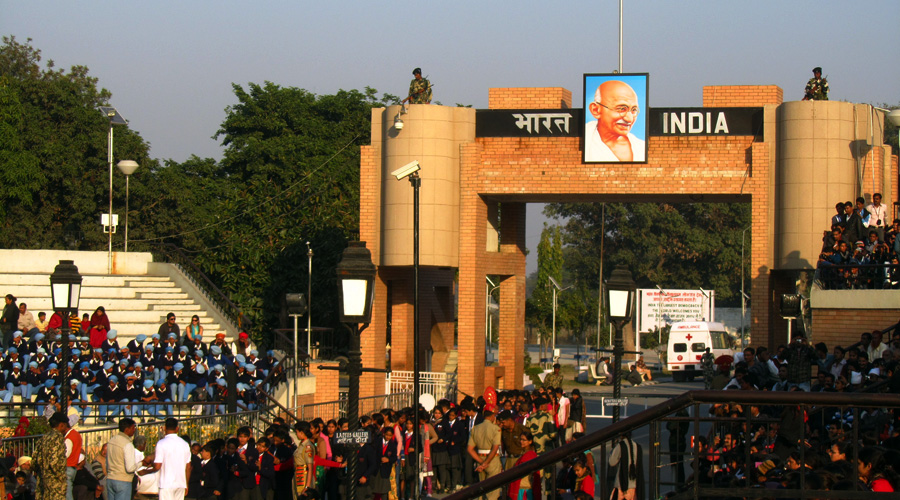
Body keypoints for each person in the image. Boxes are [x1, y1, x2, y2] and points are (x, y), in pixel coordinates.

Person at [585, 80, 645, 162]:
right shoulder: (585, 139)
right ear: (596, 110)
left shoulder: (641, 148)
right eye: (621, 109)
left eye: (634, 110)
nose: (629, 119)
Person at [140, 418, 191, 500]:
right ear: (177, 428)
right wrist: (186, 484)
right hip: (180, 484)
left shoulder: (161, 443)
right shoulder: (185, 444)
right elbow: (188, 467)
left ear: (164, 428)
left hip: (166, 484)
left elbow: (157, 466)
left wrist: (146, 471)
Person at [467, 406, 502, 500]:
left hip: (479, 458)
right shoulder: (496, 428)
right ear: (492, 416)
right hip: (492, 460)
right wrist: (486, 463)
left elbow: (470, 449)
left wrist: (482, 463)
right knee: (493, 489)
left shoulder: (475, 428)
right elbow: (495, 448)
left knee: (481, 488)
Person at [32, 412, 68, 500]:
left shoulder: (44, 438)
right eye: (66, 426)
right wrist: (61, 477)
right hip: (55, 482)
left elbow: (34, 461)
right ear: (62, 425)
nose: (66, 429)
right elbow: (54, 461)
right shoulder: (58, 438)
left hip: (43, 480)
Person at [106, 418, 138, 500]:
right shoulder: (127, 444)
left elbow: (107, 462)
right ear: (127, 429)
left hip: (110, 479)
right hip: (123, 480)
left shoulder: (111, 441)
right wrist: (142, 463)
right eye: (133, 428)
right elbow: (130, 468)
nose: (134, 430)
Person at [506, 431, 539, 500]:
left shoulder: (530, 455)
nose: (521, 441)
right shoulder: (525, 453)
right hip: (522, 488)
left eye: (524, 440)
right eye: (521, 439)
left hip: (525, 489)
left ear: (530, 441)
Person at [65, 418, 83, 500]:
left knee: (67, 494)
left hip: (68, 466)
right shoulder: (76, 434)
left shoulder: (69, 438)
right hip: (73, 467)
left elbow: (65, 454)